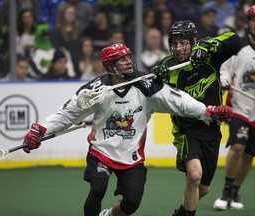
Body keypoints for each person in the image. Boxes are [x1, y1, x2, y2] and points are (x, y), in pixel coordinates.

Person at [21, 43, 233, 216]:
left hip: (132, 157)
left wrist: (209, 111)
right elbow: (67, 114)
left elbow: (180, 102)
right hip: (101, 153)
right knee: (97, 189)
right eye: (121, 60)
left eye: (128, 57)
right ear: (110, 66)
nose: (128, 62)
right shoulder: (96, 91)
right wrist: (40, 131)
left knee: (131, 203)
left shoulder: (147, 85)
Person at [152, 20, 242, 216]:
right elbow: (151, 90)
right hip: (186, 131)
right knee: (194, 176)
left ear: (193, 41)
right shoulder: (168, 66)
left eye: (183, 42)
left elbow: (236, 40)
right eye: (175, 43)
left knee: (203, 188)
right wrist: (156, 78)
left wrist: (205, 47)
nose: (178, 48)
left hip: (211, 130)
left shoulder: (209, 55)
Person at [213, 5, 255, 211]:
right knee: (238, 146)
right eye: (253, 19)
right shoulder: (239, 47)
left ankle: (235, 191)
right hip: (239, 106)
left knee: (249, 155)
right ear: (248, 23)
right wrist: (224, 80)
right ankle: (226, 190)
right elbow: (225, 70)